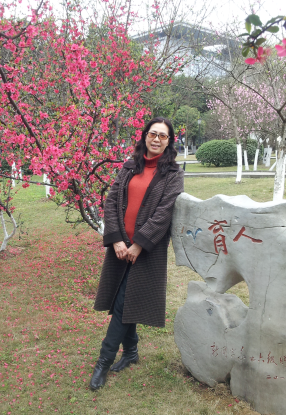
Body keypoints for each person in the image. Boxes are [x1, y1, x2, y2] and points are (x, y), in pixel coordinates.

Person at [89, 117, 185, 390]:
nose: (156, 139)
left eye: (163, 136)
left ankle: (103, 362)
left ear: (169, 142)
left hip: (146, 249)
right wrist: (117, 240)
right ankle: (131, 352)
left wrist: (139, 244)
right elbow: (112, 201)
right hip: (121, 245)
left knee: (122, 303)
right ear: (145, 136)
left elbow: (164, 212)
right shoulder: (130, 166)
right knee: (125, 299)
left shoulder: (173, 174)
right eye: (153, 134)